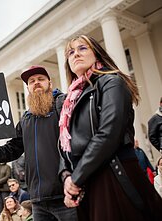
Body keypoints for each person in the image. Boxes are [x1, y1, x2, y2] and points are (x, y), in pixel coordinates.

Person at [58, 34, 162, 220]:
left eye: (82, 48)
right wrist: (66, 176)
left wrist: (76, 178)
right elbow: (65, 145)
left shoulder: (112, 82)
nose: (76, 55)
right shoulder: (71, 99)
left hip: (115, 174)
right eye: (70, 52)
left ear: (96, 53)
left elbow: (108, 134)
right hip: (87, 180)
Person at [0, 65, 77, 221]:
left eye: (41, 79)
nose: (36, 83)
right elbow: (11, 149)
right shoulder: (26, 119)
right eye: (31, 81)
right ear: (28, 88)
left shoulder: (63, 105)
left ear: (50, 83)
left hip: (65, 194)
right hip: (38, 201)